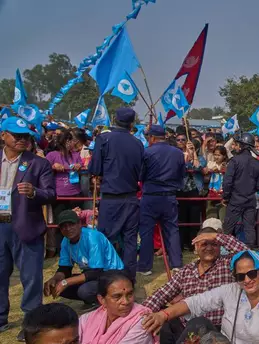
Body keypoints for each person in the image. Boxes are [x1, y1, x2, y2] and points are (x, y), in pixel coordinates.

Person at [142, 228, 248, 344]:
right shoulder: (186, 271)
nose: (209, 248)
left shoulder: (228, 264)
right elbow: (161, 294)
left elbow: (247, 254)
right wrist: (140, 315)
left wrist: (216, 236)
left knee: (198, 322)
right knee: (159, 318)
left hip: (216, 330)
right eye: (204, 244)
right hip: (186, 329)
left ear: (220, 247)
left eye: (214, 244)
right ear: (195, 248)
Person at [0, 117, 56, 341]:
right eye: (17, 135)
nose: (22, 139)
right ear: (3, 135)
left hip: (26, 226)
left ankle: (32, 323)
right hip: (1, 226)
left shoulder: (38, 163)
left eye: (25, 136)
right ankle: (1, 317)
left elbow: (51, 194)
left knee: (31, 277)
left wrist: (34, 192)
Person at [88, 107, 144, 280]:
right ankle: (129, 280)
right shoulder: (138, 143)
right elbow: (141, 174)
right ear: (132, 123)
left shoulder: (104, 139)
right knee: (130, 242)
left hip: (111, 199)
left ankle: (106, 279)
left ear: (114, 119)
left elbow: (95, 168)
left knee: (105, 240)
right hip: (131, 198)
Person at [79, 272, 159, 344]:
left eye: (129, 294)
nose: (126, 301)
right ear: (102, 300)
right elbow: (71, 342)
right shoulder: (87, 319)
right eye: (117, 296)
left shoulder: (142, 321)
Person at [43, 210, 124, 306]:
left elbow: (96, 272)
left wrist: (65, 282)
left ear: (80, 224)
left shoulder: (92, 237)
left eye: (71, 224)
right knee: (57, 286)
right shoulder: (65, 241)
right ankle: (92, 300)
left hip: (112, 274)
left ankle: (103, 302)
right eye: (63, 226)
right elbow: (65, 268)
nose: (68, 228)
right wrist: (55, 279)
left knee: (84, 290)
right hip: (92, 273)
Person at [139, 125, 185, 275]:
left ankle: (145, 266)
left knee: (146, 232)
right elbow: (181, 174)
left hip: (151, 196)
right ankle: (176, 263)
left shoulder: (146, 152)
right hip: (170, 195)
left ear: (152, 137)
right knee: (172, 230)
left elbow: (141, 175)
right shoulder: (178, 153)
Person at [222, 132, 259, 247]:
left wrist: (226, 197)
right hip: (250, 200)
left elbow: (227, 182)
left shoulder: (234, 161)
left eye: (236, 144)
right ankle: (250, 253)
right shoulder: (257, 163)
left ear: (242, 145)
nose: (234, 147)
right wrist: (250, 190)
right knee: (249, 228)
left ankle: (224, 252)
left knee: (228, 228)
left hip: (235, 199)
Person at [45, 129, 84, 257]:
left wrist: (79, 165)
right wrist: (53, 167)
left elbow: (82, 164)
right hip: (59, 194)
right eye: (72, 140)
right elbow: (43, 169)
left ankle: (76, 250)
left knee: (75, 222)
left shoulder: (76, 155)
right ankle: (61, 250)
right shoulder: (52, 155)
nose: (74, 143)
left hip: (75, 193)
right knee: (60, 223)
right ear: (66, 141)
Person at [176, 134, 206, 250]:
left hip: (194, 190)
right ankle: (181, 244)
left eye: (183, 139)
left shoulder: (200, 157)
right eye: (178, 140)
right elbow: (180, 168)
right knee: (181, 219)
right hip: (180, 190)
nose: (181, 141)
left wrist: (192, 153)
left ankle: (193, 244)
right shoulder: (176, 156)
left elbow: (199, 167)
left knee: (194, 219)